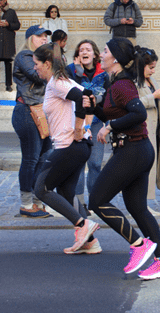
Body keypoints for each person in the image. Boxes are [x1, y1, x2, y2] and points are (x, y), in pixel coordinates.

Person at [87, 38, 160, 279]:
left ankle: (139, 245)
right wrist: (94, 107)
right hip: (138, 150)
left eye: (104, 51)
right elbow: (112, 111)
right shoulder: (115, 83)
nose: (101, 54)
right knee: (137, 207)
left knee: (97, 200)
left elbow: (137, 114)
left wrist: (109, 127)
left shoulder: (122, 85)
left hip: (133, 151)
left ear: (114, 58)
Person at [32, 43, 101, 255]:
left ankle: (82, 225)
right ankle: (90, 242)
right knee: (66, 191)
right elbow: (90, 96)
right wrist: (84, 127)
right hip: (80, 146)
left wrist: (80, 127)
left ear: (46, 64)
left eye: (36, 64)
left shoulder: (56, 83)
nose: (34, 68)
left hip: (69, 146)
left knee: (41, 189)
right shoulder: (65, 81)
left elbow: (84, 98)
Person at [12, 25, 53, 218]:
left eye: (46, 36)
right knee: (31, 158)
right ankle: (26, 203)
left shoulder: (45, 59)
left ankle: (38, 201)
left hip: (42, 111)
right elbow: (38, 76)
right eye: (40, 36)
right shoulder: (25, 56)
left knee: (43, 158)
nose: (44, 39)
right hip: (27, 110)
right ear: (30, 39)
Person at [68, 39, 107, 214]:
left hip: (97, 122)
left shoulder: (103, 72)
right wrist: (77, 71)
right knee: (77, 162)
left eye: (88, 49)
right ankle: (80, 202)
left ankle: (94, 199)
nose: (84, 52)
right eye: (81, 49)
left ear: (95, 54)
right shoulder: (71, 70)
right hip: (78, 122)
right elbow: (71, 91)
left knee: (95, 163)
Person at [135, 47, 160, 216]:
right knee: (143, 168)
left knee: (150, 166)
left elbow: (157, 101)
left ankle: (143, 203)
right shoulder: (134, 81)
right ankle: (141, 205)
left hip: (154, 128)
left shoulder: (151, 80)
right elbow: (133, 103)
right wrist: (154, 97)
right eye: (151, 67)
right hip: (143, 129)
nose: (153, 70)